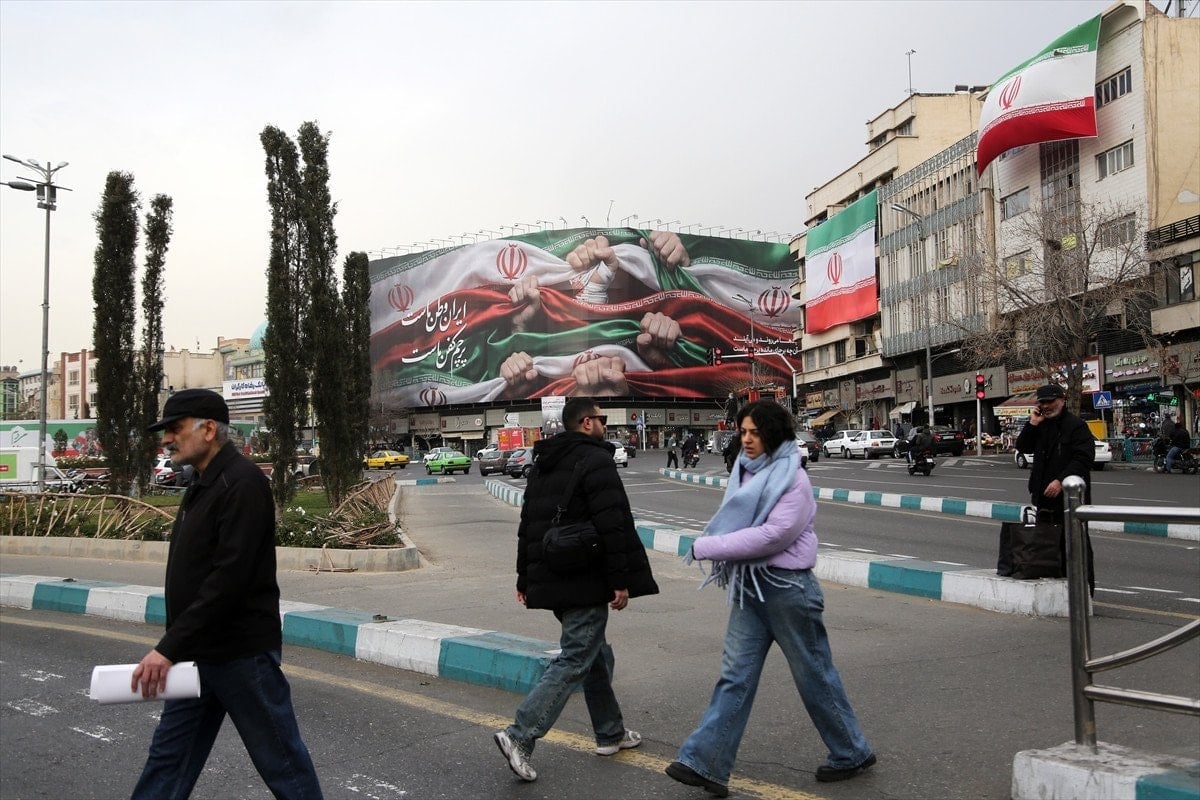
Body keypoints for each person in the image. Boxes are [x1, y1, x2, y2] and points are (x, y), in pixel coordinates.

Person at [666, 401, 875, 798]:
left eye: (754, 433)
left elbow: (773, 535)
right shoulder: (745, 472)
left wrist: (710, 546)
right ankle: (705, 761)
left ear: (773, 434)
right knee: (735, 676)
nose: (746, 439)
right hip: (751, 586)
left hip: (788, 589)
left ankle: (852, 751)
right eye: (742, 431)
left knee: (813, 674)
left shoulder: (792, 478)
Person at [129, 389, 322, 800]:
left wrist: (168, 648)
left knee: (283, 763)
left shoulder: (242, 484)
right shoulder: (204, 484)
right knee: (168, 759)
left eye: (175, 429)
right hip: (198, 654)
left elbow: (228, 580)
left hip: (241, 656)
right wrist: (178, 646)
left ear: (209, 429)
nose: (166, 439)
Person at [494, 397, 659, 783]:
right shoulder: (597, 460)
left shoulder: (543, 461)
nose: (606, 424)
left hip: (555, 573)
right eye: (602, 419)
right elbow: (613, 524)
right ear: (586, 423)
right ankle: (520, 736)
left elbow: (528, 525)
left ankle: (610, 731)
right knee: (575, 658)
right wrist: (620, 581)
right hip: (585, 577)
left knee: (592, 653)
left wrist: (524, 578)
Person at [1014, 383, 1095, 590]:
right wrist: (1032, 423)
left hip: (1069, 500)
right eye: (1042, 402)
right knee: (1047, 547)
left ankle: (1083, 590)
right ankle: (1056, 590)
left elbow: (1083, 458)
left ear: (1062, 400)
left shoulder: (1076, 426)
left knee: (1075, 546)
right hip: (1042, 498)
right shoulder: (1040, 425)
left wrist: (1061, 480)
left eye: (1050, 401)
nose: (1046, 406)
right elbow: (1022, 447)